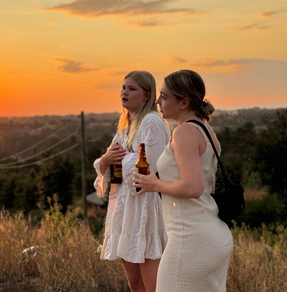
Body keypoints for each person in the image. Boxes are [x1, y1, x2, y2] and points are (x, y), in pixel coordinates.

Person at [133, 69, 233, 291]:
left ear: (184, 102)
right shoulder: (206, 130)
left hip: (191, 239)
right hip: (212, 234)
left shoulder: (184, 132)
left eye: (164, 96)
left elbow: (193, 187)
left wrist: (154, 184)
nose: (158, 101)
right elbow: (206, 185)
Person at [93, 71, 170, 292]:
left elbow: (147, 170)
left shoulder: (152, 122)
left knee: (152, 285)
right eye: (123, 87)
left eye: (132, 89)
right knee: (135, 283)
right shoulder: (126, 125)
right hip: (126, 209)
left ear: (147, 95)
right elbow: (109, 158)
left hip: (145, 208)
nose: (124, 92)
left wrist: (122, 157)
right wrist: (107, 160)